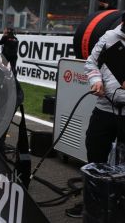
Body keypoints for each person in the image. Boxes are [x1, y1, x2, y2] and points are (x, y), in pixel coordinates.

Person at [66, 12, 125, 219]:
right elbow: (91, 64)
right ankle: (91, 203)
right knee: (95, 153)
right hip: (104, 109)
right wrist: (96, 81)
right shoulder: (109, 37)